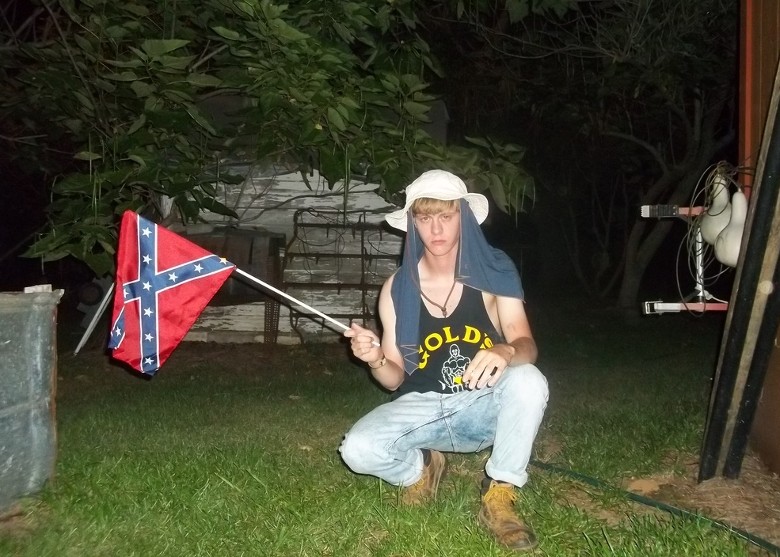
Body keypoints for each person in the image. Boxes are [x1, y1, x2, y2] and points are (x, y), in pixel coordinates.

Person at [340, 169, 549, 551]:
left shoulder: (493, 271)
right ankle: (422, 468)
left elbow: (526, 345)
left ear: (463, 218)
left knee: (528, 378)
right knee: (356, 450)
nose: (435, 229)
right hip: (423, 408)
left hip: (479, 404)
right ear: (412, 223)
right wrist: (374, 358)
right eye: (424, 217)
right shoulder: (396, 288)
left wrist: (505, 349)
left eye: (446, 216)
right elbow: (394, 380)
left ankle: (500, 492)